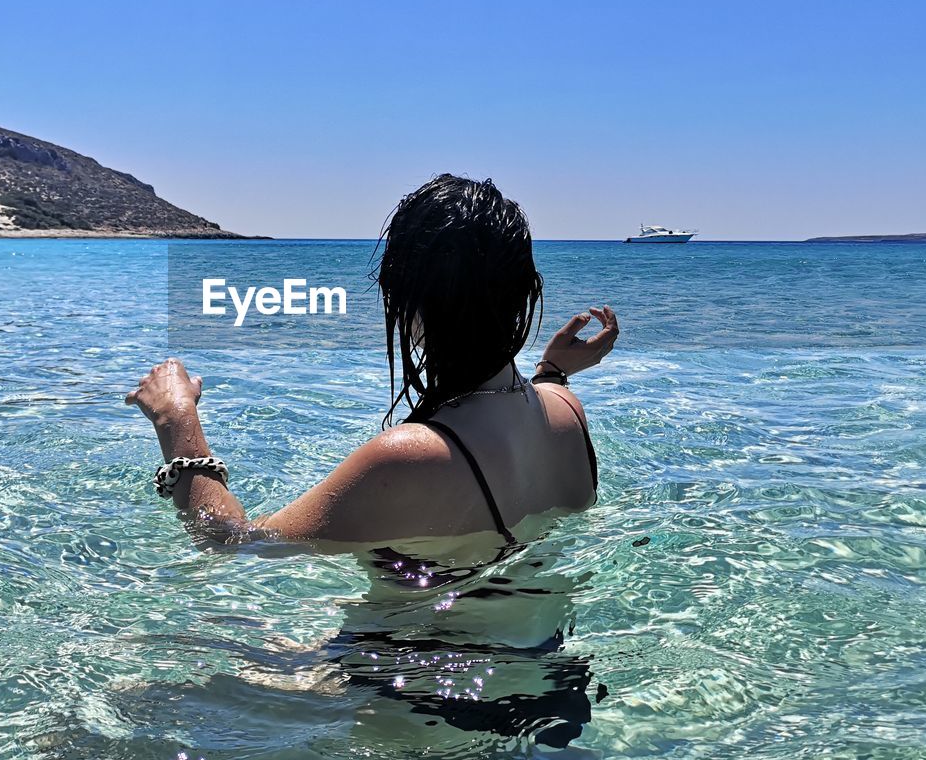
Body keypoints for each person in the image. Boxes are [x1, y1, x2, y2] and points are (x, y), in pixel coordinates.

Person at [125, 173, 617, 546]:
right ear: (521, 296)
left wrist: (177, 420)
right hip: (555, 668)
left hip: (415, 679)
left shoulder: (408, 457)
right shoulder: (566, 412)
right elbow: (531, 402)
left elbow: (234, 545)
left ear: (409, 305)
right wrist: (553, 372)